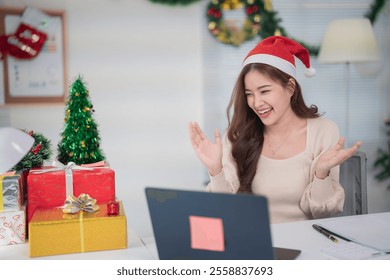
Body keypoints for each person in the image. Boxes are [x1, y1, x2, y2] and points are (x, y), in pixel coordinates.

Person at [188, 36, 362, 224]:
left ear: (290, 87)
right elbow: (225, 209)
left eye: (264, 91)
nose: (256, 102)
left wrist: (321, 173)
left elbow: (322, 213)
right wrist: (216, 169)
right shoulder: (238, 135)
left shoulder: (324, 131)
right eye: (249, 94)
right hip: (252, 242)